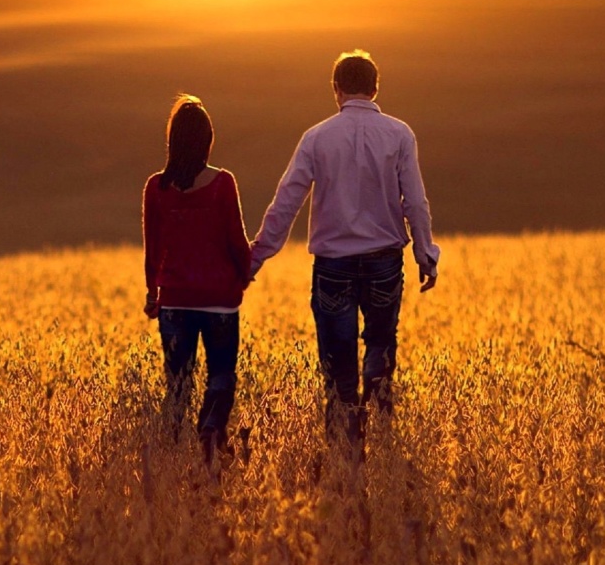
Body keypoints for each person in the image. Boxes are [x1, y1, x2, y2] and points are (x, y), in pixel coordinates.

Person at [249, 50, 439, 451]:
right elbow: (416, 203)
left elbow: (287, 201)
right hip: (385, 261)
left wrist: (256, 257)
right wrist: (425, 253)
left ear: (336, 90)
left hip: (333, 265)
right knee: (381, 348)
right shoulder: (400, 134)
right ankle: (383, 440)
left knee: (338, 372)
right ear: (374, 88)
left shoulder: (316, 137)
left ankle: (345, 452)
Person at [142, 95, 251, 465]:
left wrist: (152, 291)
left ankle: (172, 452)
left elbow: (152, 249)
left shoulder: (156, 188)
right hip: (220, 301)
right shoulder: (223, 184)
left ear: (172, 140)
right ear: (207, 140)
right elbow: (237, 240)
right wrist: (245, 272)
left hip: (174, 303)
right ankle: (211, 433)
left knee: (177, 386)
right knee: (221, 376)